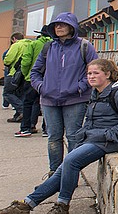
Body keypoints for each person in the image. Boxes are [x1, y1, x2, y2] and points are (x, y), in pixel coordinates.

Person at [0, 58, 118, 214]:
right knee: (63, 169)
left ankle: (62, 205)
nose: (91, 76)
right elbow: (93, 120)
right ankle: (26, 206)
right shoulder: (97, 92)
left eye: (96, 73)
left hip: (109, 141)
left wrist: (109, 134)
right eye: (89, 73)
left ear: (108, 74)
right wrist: (85, 134)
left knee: (70, 161)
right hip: (95, 137)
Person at [30, 12, 97, 177]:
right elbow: (35, 72)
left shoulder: (84, 46)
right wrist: (41, 87)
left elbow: (95, 70)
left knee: (74, 137)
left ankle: (70, 172)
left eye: (62, 24)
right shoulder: (48, 48)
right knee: (53, 137)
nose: (58, 27)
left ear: (72, 27)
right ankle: (55, 173)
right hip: (49, 100)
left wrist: (80, 87)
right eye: (56, 25)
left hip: (75, 99)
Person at [5, 32, 49, 136]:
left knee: (28, 103)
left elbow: (25, 61)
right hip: (49, 79)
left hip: (32, 78)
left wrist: (25, 74)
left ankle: (27, 127)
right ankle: (46, 129)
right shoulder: (54, 44)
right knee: (45, 104)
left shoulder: (33, 44)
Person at [2, 32, 25, 119]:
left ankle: (21, 110)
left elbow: (8, 59)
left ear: (14, 39)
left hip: (14, 73)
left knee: (7, 93)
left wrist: (6, 62)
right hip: (24, 73)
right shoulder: (29, 45)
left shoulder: (16, 45)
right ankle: (18, 115)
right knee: (20, 94)